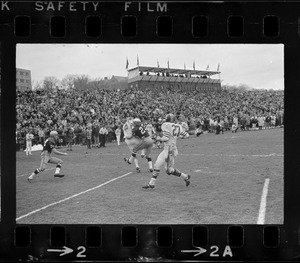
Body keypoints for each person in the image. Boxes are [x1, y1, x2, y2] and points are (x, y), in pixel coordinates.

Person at [142, 113, 191, 189]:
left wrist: (158, 138)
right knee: (157, 165)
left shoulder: (165, 125)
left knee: (169, 171)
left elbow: (166, 138)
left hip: (169, 151)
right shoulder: (178, 126)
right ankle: (151, 183)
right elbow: (187, 135)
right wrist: (176, 137)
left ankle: (185, 177)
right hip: (169, 149)